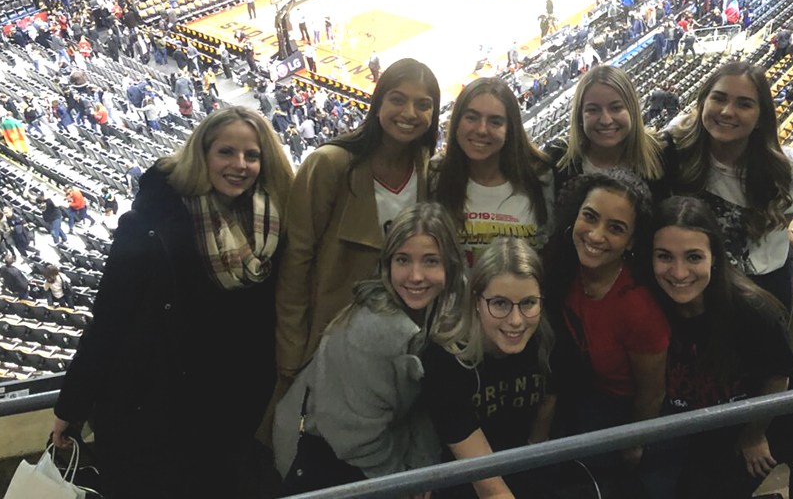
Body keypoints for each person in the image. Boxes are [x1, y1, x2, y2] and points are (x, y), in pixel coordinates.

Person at [51, 107, 294, 498]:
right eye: (226, 152)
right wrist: (71, 406)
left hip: (233, 412)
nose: (240, 165)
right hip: (153, 410)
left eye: (252, 155)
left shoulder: (278, 226)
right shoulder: (152, 222)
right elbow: (110, 316)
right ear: (203, 154)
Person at [274, 203, 463, 495]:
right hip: (331, 457)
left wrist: (424, 470)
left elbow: (424, 406)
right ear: (387, 264)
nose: (415, 276)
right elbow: (358, 441)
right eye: (402, 260)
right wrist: (404, 484)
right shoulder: (373, 329)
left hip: (384, 444)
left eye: (430, 261)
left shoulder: (443, 310)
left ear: (449, 265)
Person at [276, 58, 440, 382]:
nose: (409, 113)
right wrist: (291, 352)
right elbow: (296, 261)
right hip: (333, 339)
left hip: (401, 340)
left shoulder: (425, 168)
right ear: (377, 103)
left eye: (423, 104)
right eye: (397, 99)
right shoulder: (328, 165)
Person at [647, 196, 793, 499]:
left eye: (693, 257)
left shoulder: (753, 311)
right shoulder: (647, 303)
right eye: (665, 256)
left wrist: (754, 436)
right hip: (679, 428)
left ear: (714, 257)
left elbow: (778, 377)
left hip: (732, 431)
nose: (678, 273)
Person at [423, 236, 594, 498]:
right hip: (466, 479)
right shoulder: (445, 359)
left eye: (528, 303)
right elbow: (490, 489)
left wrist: (535, 455)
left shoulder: (551, 335)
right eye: (500, 303)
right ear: (477, 302)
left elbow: (548, 399)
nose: (516, 321)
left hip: (526, 465)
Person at [544, 169, 671, 496]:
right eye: (590, 217)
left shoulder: (637, 307)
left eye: (615, 228)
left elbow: (651, 393)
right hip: (582, 394)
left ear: (631, 241)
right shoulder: (564, 268)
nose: (596, 236)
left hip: (621, 409)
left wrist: (633, 443)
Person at [669, 61, 793, 313]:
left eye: (744, 104)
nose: (727, 111)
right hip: (694, 286)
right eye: (719, 98)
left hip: (763, 286)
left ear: (761, 117)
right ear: (702, 102)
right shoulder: (675, 145)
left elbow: (780, 227)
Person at [431, 77, 554, 267]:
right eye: (471, 117)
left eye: (495, 122)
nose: (481, 130)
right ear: (456, 122)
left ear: (510, 129)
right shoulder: (435, 174)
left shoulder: (539, 176)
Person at [544, 65, 677, 204]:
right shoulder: (557, 158)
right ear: (579, 116)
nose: (606, 120)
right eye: (593, 110)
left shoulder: (663, 151)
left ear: (632, 110)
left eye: (616, 108)